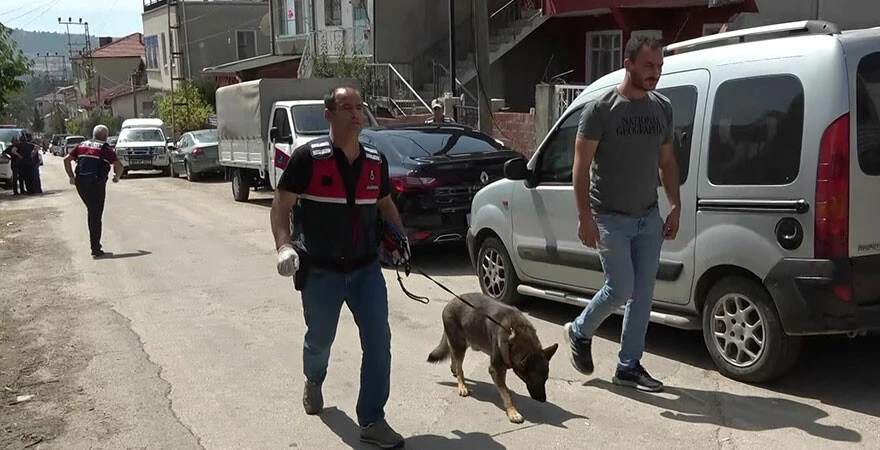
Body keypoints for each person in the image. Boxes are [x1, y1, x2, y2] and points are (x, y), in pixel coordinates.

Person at [270, 86, 408, 449]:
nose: (355, 114)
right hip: (321, 271)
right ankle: (313, 379)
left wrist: (400, 239)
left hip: (366, 271)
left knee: (379, 342)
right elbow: (281, 205)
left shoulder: (375, 161)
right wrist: (284, 245)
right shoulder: (308, 159)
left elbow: (385, 205)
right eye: (346, 107)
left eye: (359, 107)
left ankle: (372, 420)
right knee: (319, 340)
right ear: (329, 115)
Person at [563, 36, 681, 393]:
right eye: (648, 66)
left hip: (648, 217)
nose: (655, 73)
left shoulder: (662, 108)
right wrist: (584, 217)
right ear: (628, 64)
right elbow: (581, 167)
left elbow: (667, 162)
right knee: (620, 287)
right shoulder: (600, 109)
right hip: (609, 217)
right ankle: (580, 330)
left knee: (642, 296)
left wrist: (675, 205)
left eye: (659, 66)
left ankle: (628, 367)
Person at [64, 124, 123, 258]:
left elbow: (66, 160)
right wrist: (116, 177)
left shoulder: (81, 145)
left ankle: (95, 246)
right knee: (95, 214)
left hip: (81, 183)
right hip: (96, 184)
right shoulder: (104, 148)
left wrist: (71, 177)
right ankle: (95, 248)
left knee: (92, 211)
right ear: (105, 136)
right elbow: (119, 165)